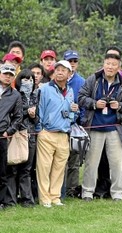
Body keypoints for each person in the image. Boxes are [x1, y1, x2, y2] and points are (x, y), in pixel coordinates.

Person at [79, 53, 122, 201]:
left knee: (117, 163)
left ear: (119, 67)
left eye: (113, 64)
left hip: (115, 128)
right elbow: (81, 97)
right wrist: (94, 103)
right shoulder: (94, 79)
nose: (110, 67)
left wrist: (121, 106)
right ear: (103, 64)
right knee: (91, 162)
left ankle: (118, 193)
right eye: (108, 63)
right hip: (95, 126)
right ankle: (87, 192)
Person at [35, 60, 78, 208]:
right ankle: (45, 198)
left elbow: (72, 116)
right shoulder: (45, 88)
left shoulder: (71, 91)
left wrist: (74, 111)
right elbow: (39, 110)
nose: (60, 72)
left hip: (64, 134)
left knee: (59, 169)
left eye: (63, 70)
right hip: (47, 133)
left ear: (69, 74)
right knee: (44, 168)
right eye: (57, 69)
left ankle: (55, 197)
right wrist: (40, 130)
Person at [9, 69, 38, 207]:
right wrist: (27, 112)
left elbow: (38, 119)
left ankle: (27, 200)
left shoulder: (35, 96)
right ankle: (11, 199)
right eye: (25, 80)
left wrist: (34, 115)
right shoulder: (13, 95)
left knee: (27, 169)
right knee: (13, 168)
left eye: (31, 80)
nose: (28, 83)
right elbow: (14, 115)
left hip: (31, 135)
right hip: (17, 135)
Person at [62, 50, 86, 198]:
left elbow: (83, 104)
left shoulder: (81, 81)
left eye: (75, 61)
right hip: (60, 125)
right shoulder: (58, 78)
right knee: (61, 160)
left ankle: (71, 189)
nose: (72, 64)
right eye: (70, 61)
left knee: (74, 160)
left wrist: (81, 123)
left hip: (75, 125)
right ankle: (60, 189)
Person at [0, 64, 22, 210]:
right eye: (5, 73)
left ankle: (1, 201)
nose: (7, 76)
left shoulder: (15, 95)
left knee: (1, 171)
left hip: (2, 136)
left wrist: (9, 131)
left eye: (10, 74)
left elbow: (18, 118)